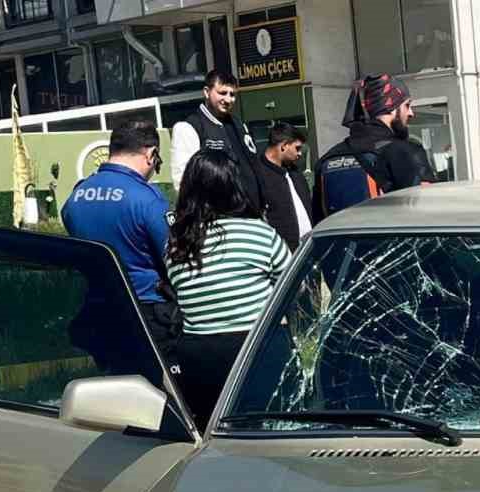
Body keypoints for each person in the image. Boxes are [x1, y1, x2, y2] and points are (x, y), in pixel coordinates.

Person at [165, 150, 292, 427]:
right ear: (235, 187)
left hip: (198, 354)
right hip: (256, 349)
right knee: (268, 429)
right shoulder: (259, 233)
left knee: (215, 431)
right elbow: (292, 287)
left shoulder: (177, 244)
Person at [61, 118, 178, 362]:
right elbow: (176, 260)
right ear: (151, 154)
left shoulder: (76, 197)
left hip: (99, 311)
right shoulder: (148, 199)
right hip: (148, 314)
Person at [314, 73, 429, 220]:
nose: (411, 113)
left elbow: (318, 221)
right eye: (407, 105)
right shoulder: (406, 152)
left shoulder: (328, 158)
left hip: (340, 241)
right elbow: (426, 213)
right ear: (391, 107)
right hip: (389, 241)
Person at [170, 70, 262, 211]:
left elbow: (253, 166)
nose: (228, 99)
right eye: (222, 93)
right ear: (207, 92)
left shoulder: (239, 125)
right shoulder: (189, 127)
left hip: (253, 213)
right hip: (219, 219)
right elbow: (183, 182)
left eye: (232, 94)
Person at [250, 122, 314, 253]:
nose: (300, 153)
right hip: (281, 255)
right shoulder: (257, 175)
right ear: (284, 146)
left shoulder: (295, 173)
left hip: (308, 251)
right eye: (297, 148)